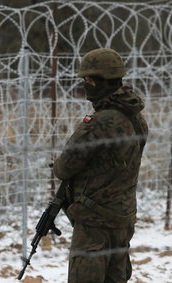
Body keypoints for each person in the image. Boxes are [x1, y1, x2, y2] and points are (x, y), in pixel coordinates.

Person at [53, 48, 148, 283]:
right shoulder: (136, 118)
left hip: (95, 224)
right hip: (123, 218)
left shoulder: (98, 124)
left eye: (88, 80)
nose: (85, 85)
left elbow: (63, 168)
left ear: (99, 81)